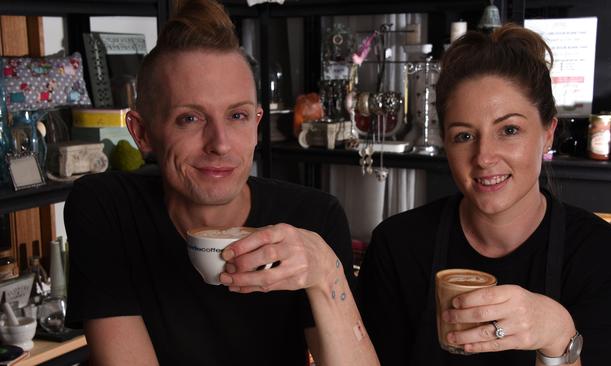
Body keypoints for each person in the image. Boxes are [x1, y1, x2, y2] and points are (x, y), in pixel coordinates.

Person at [63, 1, 378, 365]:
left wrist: (325, 272)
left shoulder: (312, 217)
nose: (221, 143)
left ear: (256, 126)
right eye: (190, 118)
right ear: (143, 132)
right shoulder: (108, 208)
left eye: (237, 115)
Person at [357, 24, 611, 366]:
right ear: (446, 143)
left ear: (548, 133)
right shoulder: (398, 245)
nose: (484, 157)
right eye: (464, 136)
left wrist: (556, 334)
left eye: (509, 130)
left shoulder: (604, 257)